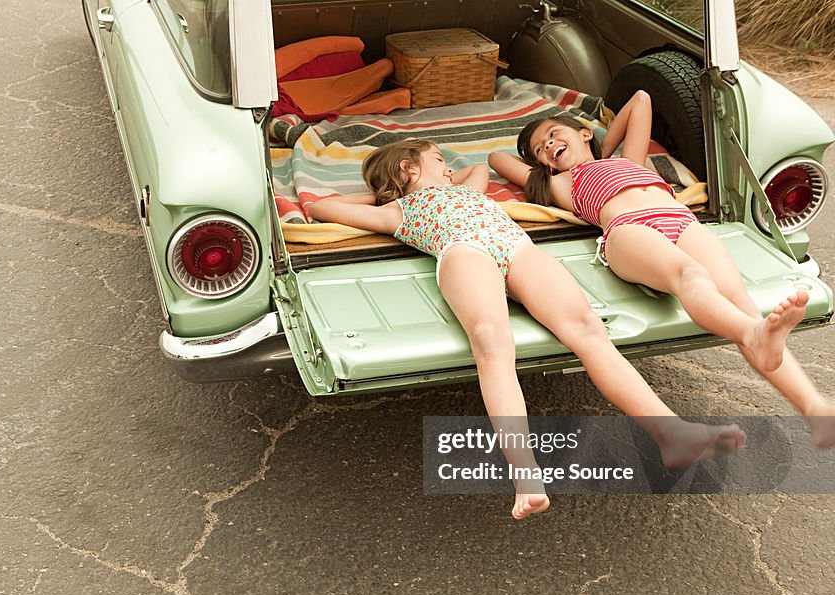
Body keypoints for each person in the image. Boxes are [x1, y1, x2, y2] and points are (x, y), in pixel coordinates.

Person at [308, 138, 746, 520]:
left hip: (518, 247)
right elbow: (321, 207)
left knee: (589, 331)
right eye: (438, 159)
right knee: (493, 344)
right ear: (409, 167)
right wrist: (386, 195)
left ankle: (671, 433)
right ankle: (526, 475)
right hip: (465, 252)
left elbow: (479, 169)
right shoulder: (398, 212)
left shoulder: (463, 188)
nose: (448, 167)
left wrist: (440, 175)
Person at [488, 90, 835, 449]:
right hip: (628, 230)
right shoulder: (557, 182)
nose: (547, 145)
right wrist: (545, 157)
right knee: (692, 276)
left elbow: (640, 100)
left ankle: (814, 408)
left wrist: (603, 147)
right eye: (540, 149)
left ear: (585, 133)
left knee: (739, 301)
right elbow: (498, 158)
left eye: (553, 134)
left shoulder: (629, 160)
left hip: (680, 220)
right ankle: (753, 336)